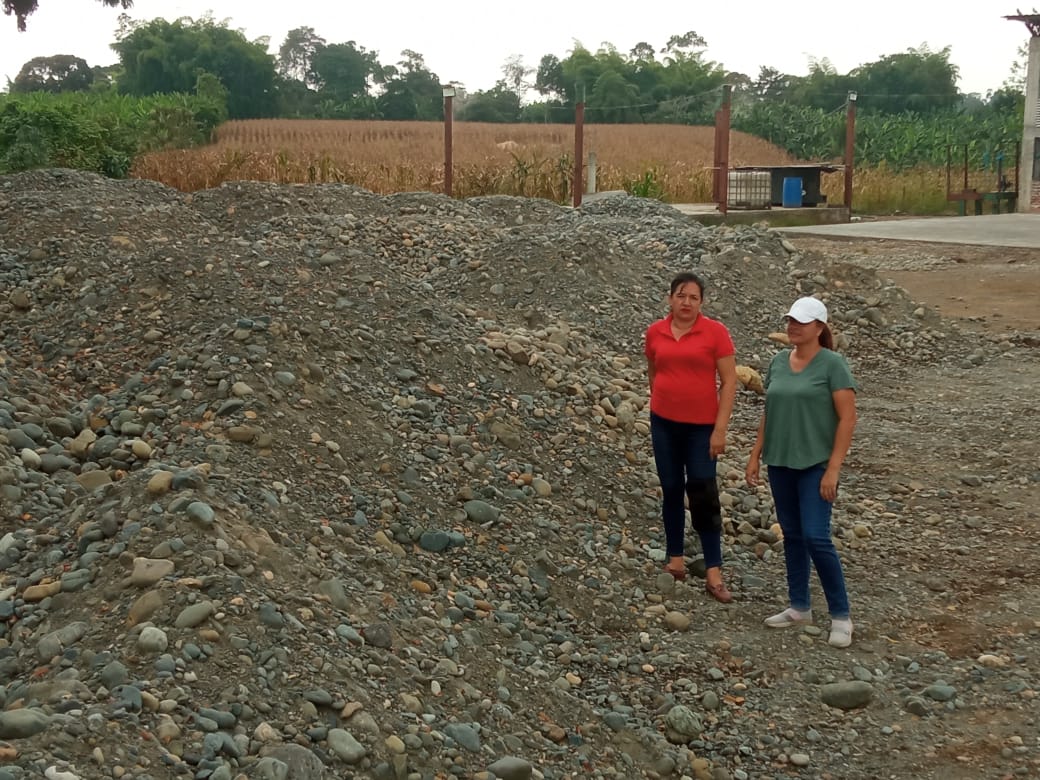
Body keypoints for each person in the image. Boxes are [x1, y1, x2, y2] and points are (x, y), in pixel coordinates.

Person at [745, 296, 858, 648]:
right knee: (792, 534)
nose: (792, 326)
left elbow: (848, 418)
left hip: (815, 464)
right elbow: (770, 411)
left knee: (816, 536)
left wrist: (833, 468)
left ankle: (841, 615)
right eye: (790, 320)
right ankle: (799, 606)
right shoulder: (778, 362)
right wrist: (755, 454)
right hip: (780, 461)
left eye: (801, 322)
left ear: (819, 328)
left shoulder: (833, 365)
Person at [645, 271, 738, 603]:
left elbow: (729, 381)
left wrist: (720, 429)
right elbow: (654, 370)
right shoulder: (655, 332)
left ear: (702, 302)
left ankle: (714, 570)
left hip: (702, 428)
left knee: (702, 491)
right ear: (670, 298)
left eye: (693, 297)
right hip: (664, 424)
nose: (686, 302)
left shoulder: (716, 333)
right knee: (671, 488)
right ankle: (675, 559)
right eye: (681, 296)